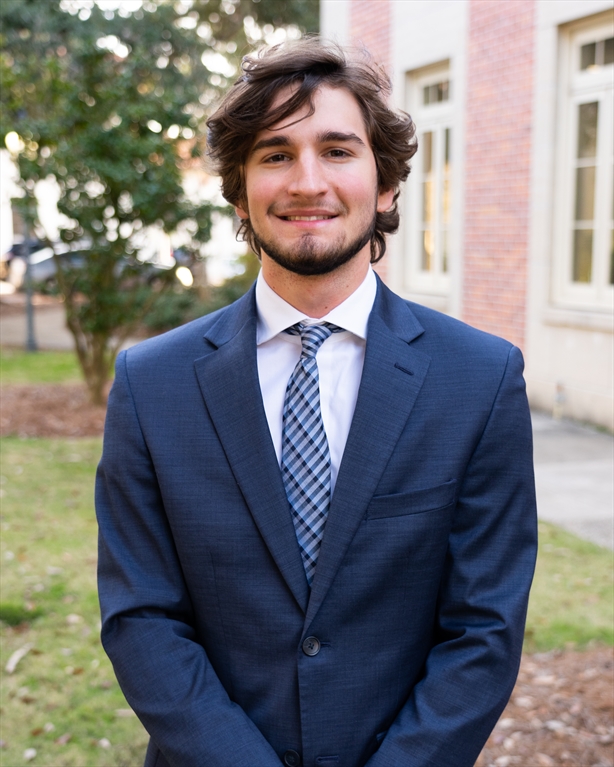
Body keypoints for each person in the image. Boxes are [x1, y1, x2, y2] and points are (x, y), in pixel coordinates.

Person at [96, 38, 537, 767]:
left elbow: (484, 630)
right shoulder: (151, 384)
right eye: (274, 155)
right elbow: (142, 616)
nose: (307, 181)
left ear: (387, 184)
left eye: (337, 150)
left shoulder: (481, 379)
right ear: (240, 192)